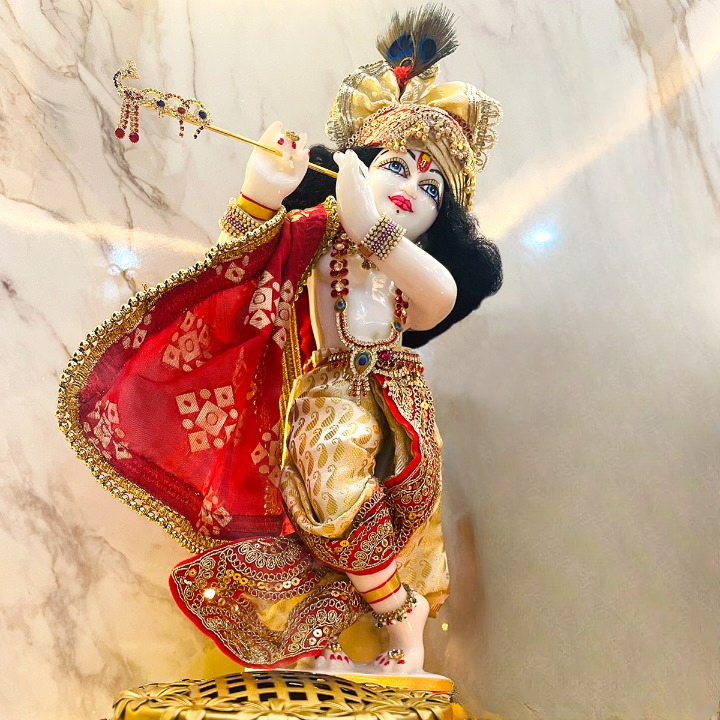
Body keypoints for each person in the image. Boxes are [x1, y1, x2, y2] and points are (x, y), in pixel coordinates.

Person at [57, 6, 502, 674]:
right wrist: (260, 194)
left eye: (429, 185)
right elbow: (234, 271)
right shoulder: (315, 238)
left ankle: (402, 615)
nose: (410, 187)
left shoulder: (410, 271)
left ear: (443, 220)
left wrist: (371, 225)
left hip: (376, 402)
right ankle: (320, 636)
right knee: (286, 515)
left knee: (332, 478)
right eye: (396, 166)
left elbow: (439, 294)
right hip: (302, 394)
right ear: (358, 166)